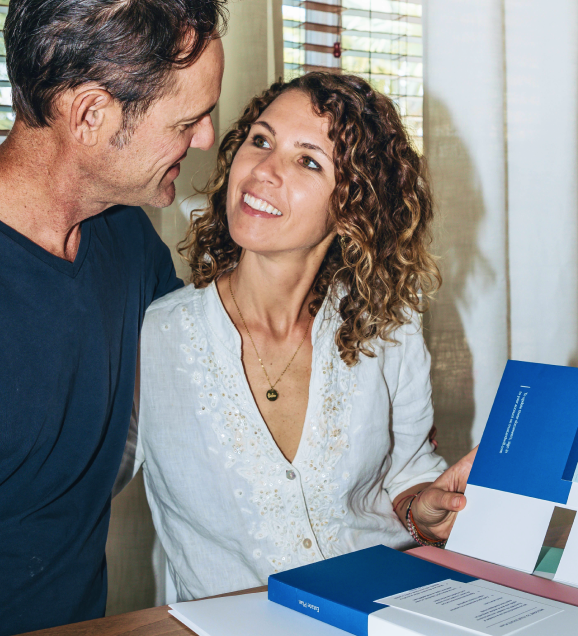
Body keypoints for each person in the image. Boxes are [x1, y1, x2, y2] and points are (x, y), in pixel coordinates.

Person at [123, 73, 476, 601]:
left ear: (354, 205)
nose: (265, 170)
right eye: (260, 140)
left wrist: (423, 508)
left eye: (308, 160)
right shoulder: (154, 337)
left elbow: (407, 476)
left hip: (382, 620)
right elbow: (73, 485)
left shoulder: (388, 328)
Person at [0, 0, 226, 636]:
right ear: (91, 114)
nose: (208, 137)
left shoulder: (125, 237)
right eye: (189, 119)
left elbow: (219, 371)